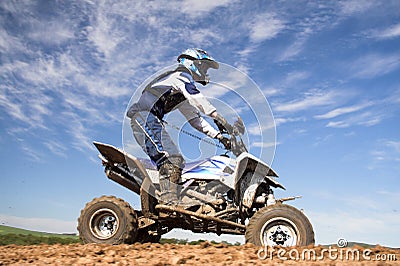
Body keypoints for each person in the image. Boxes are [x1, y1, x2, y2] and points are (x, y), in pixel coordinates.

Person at [126, 48, 232, 208]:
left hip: (150, 120)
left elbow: (195, 120)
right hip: (144, 118)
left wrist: (219, 136)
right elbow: (198, 99)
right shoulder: (180, 76)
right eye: (204, 67)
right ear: (194, 63)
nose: (205, 71)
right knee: (171, 159)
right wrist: (219, 118)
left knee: (176, 159)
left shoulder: (181, 91)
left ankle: (177, 196)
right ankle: (169, 201)